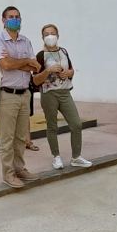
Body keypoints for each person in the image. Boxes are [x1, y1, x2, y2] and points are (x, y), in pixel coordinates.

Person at [0, 6, 42, 188]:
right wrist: (25, 61)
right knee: (7, 138)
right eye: (11, 17)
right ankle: (8, 173)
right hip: (7, 95)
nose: (15, 19)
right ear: (3, 20)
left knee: (21, 137)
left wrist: (15, 61)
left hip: (24, 93)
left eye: (17, 17)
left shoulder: (26, 41)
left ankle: (19, 168)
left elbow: (35, 67)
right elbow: (5, 65)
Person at [32, 24, 92, 170]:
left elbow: (71, 70)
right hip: (49, 94)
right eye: (46, 34)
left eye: (52, 33)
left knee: (76, 124)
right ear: (42, 37)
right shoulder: (40, 55)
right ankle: (56, 157)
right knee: (52, 126)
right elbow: (35, 80)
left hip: (65, 93)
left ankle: (76, 157)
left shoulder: (63, 51)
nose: (50, 36)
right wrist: (48, 70)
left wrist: (69, 73)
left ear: (58, 36)